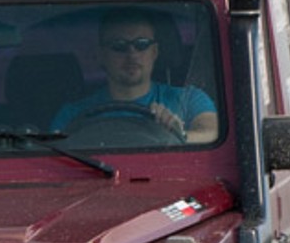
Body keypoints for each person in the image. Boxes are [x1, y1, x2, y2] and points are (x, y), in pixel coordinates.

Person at [52, 8, 218, 143]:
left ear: (155, 52)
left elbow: (213, 133)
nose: (132, 54)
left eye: (141, 44)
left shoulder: (188, 100)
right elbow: (52, 157)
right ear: (100, 55)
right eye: (119, 46)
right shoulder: (71, 114)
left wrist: (178, 134)